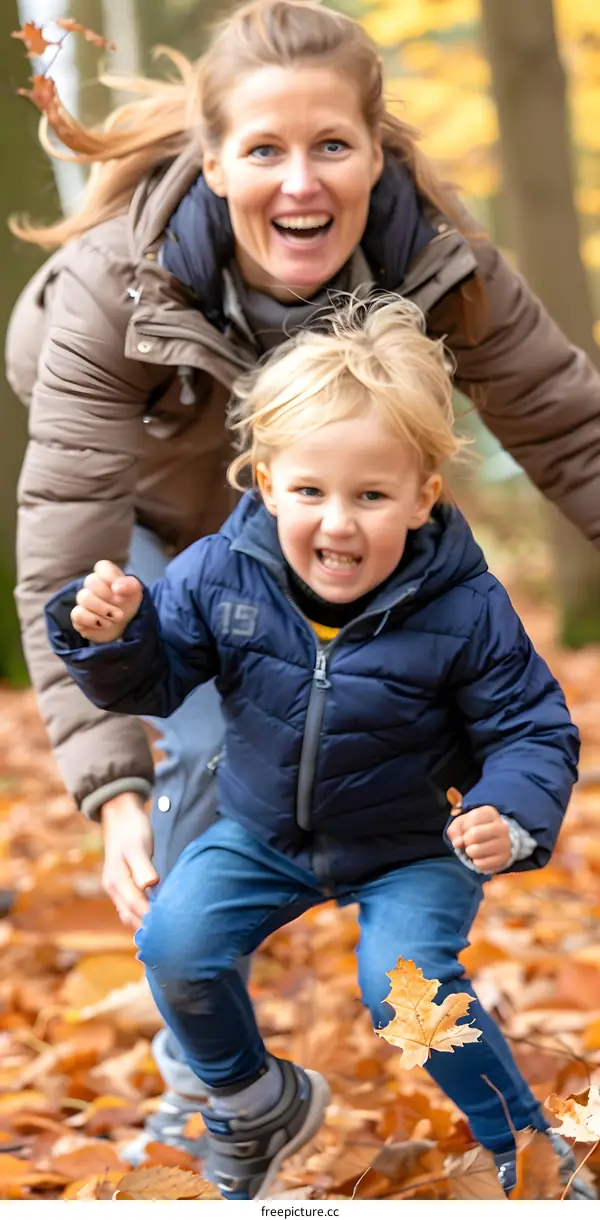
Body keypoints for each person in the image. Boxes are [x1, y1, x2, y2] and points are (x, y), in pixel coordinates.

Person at [7, 0, 600, 1155]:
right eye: (265, 150)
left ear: (379, 153)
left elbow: (576, 436)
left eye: (332, 145)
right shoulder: (112, 287)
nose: (300, 182)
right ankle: (224, 1092)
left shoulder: (443, 261)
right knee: (200, 758)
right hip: (159, 534)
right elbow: (64, 530)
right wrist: (109, 785)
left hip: (343, 522)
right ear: (212, 158)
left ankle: (509, 1137)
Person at [45, 297, 591, 1201]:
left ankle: (528, 1153)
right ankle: (253, 1098)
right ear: (265, 482)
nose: (337, 524)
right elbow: (156, 683)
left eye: (371, 495)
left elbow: (530, 726)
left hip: (410, 844)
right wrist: (111, 637)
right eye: (311, 492)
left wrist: (512, 814)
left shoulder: (464, 606)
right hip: (260, 830)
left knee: (405, 991)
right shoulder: (218, 572)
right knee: (175, 943)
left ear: (423, 496)